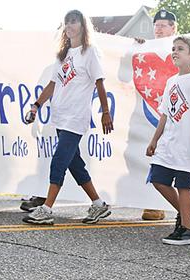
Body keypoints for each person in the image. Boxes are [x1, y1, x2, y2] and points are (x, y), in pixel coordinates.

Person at [23, 10, 113, 225]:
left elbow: (100, 82)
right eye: (67, 22)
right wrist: (36, 105)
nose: (70, 25)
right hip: (60, 116)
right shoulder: (62, 54)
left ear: (83, 25)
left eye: (74, 21)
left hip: (76, 117)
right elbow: (53, 84)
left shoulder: (89, 52)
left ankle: (46, 209)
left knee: (59, 161)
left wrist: (105, 112)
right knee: (75, 164)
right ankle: (98, 204)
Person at [146, 35, 190, 245]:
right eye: (173, 48)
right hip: (168, 142)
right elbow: (164, 114)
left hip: (187, 143)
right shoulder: (171, 81)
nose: (175, 52)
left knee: (183, 184)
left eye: (180, 48)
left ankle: (187, 230)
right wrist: (154, 140)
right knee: (158, 179)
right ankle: (186, 214)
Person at [134, 9, 179, 221]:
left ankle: (179, 206)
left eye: (164, 25)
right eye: (156, 25)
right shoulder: (147, 49)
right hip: (150, 113)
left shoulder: (181, 49)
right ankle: (152, 203)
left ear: (173, 28)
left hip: (175, 116)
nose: (158, 29)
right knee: (150, 159)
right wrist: (137, 47)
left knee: (170, 163)